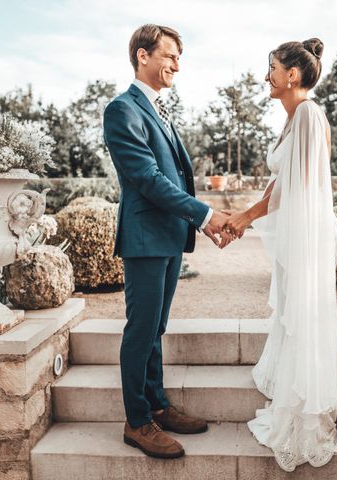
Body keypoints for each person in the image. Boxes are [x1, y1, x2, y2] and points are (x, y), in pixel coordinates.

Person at [222, 38, 337, 472]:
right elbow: (277, 183)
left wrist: (244, 217)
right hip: (295, 233)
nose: (268, 76)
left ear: (292, 74)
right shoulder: (294, 119)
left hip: (308, 235)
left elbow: (292, 189)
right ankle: (294, 389)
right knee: (292, 313)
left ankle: (304, 417)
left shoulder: (309, 115)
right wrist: (244, 214)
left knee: (303, 311)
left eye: (273, 68)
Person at [103, 24, 230, 460]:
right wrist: (206, 215)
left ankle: (157, 403)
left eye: (179, 57)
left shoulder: (159, 109)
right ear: (143, 55)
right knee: (140, 329)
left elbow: (173, 176)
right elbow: (147, 179)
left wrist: (196, 220)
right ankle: (137, 421)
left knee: (156, 327)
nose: (177, 64)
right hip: (144, 238)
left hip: (169, 236)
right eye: (170, 55)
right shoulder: (122, 110)